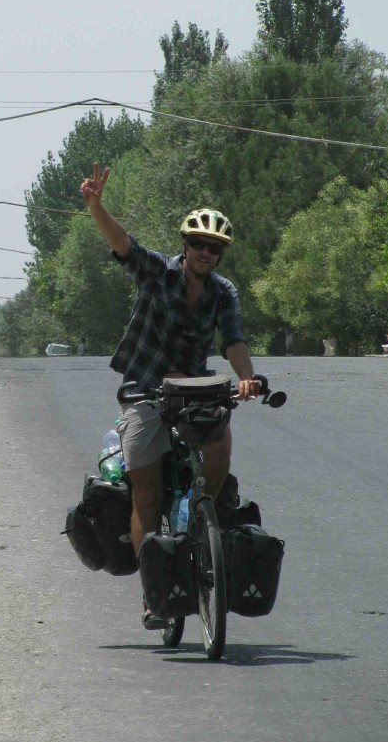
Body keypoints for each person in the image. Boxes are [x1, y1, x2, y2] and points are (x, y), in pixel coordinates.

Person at [79, 162, 261, 628]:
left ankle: (204, 517)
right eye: (198, 244)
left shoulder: (224, 292)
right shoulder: (158, 272)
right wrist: (97, 207)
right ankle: (152, 590)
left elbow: (234, 340)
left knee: (220, 445)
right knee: (146, 494)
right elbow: (124, 245)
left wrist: (246, 377)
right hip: (144, 390)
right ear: (185, 245)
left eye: (214, 248)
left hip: (194, 390)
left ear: (220, 254)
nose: (205, 252)